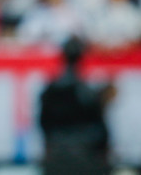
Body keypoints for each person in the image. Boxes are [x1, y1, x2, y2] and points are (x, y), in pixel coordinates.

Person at [39, 36, 112, 175]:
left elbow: (43, 124)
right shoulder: (87, 92)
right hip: (83, 156)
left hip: (59, 154)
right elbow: (101, 131)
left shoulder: (50, 91)